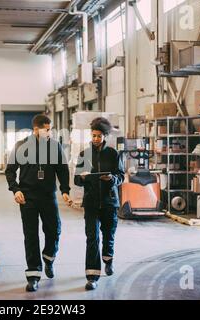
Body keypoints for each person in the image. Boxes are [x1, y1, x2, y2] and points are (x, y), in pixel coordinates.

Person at [5, 114, 73, 292]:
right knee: (31, 235)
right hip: (27, 197)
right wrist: (15, 189)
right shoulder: (21, 146)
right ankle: (33, 274)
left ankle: (49, 257)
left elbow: (62, 169)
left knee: (54, 229)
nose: (49, 133)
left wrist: (65, 190)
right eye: (47, 129)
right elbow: (10, 171)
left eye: (50, 129)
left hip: (48, 196)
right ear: (36, 129)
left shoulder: (54, 145)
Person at [74, 117, 125, 291]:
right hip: (91, 203)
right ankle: (92, 276)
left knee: (108, 236)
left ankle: (108, 259)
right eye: (93, 135)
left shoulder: (113, 154)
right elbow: (76, 180)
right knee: (92, 238)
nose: (96, 138)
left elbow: (121, 176)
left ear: (105, 136)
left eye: (99, 136)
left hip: (110, 202)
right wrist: (81, 177)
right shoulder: (84, 154)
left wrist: (112, 179)